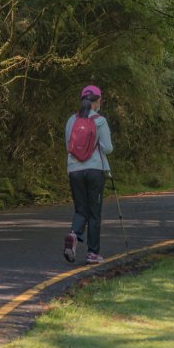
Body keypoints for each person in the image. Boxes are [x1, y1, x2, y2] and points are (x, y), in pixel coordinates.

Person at [64, 85, 113, 265]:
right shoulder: (100, 121)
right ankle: (92, 253)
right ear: (97, 100)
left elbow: (68, 146)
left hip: (74, 170)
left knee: (80, 209)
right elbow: (108, 148)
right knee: (94, 212)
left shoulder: (71, 120)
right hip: (94, 171)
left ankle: (74, 234)